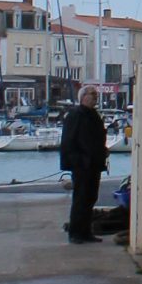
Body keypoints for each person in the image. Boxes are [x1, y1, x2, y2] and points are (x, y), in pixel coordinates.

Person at [59, 83, 109, 242]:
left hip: (94, 163)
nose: (95, 97)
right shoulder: (75, 115)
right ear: (83, 97)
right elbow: (68, 140)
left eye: (96, 94)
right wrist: (75, 161)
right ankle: (75, 232)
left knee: (90, 198)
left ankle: (86, 231)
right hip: (81, 164)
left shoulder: (94, 115)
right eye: (92, 94)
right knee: (80, 198)